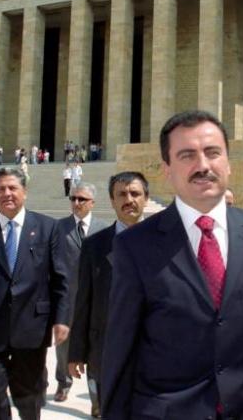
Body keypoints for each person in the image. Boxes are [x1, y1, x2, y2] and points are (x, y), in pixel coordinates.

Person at [101, 110, 243, 420]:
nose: (202, 165)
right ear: (167, 169)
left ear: (228, 163)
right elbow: (120, 351)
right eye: (187, 155)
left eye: (212, 153)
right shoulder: (135, 246)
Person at [0, 167, 70, 420]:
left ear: (25, 192)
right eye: (1, 189)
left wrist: (62, 319)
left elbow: (61, 279)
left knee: (29, 396)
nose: (6, 193)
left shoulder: (47, 227)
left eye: (12, 188)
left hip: (31, 327)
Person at [69, 171, 149, 419]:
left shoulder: (167, 241)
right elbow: (84, 301)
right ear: (112, 201)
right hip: (107, 351)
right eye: (121, 194)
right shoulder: (95, 245)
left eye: (135, 193)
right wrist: (76, 352)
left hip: (154, 352)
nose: (129, 199)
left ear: (146, 198)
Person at [54, 182, 108, 403]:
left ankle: (96, 399)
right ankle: (63, 382)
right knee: (63, 345)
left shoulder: (104, 229)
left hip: (95, 299)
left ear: (92, 202)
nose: (76, 203)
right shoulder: (58, 228)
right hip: (67, 298)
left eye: (82, 199)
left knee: (95, 348)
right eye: (73, 198)